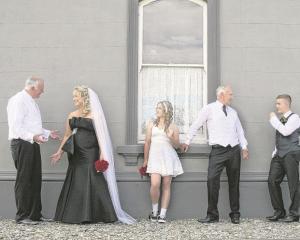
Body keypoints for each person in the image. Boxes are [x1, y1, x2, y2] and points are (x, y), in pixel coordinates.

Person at [51, 85, 135, 224]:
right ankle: (75, 214)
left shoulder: (95, 114)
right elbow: (67, 135)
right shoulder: (71, 115)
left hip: (90, 151)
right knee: (76, 178)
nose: (74, 99)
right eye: (73, 97)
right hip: (75, 154)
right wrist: (59, 152)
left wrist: (102, 153)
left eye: (76, 96)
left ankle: (103, 214)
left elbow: (101, 136)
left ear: (84, 98)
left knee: (93, 177)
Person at [182, 86, 249, 224]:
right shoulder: (209, 108)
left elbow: (240, 131)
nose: (232, 97)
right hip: (218, 151)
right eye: (230, 94)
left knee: (234, 183)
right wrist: (187, 140)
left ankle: (235, 214)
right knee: (212, 180)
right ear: (221, 95)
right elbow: (196, 124)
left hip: (234, 150)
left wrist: (244, 146)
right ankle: (212, 215)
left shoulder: (233, 112)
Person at [7, 76, 60, 225]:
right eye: (40, 90)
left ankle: (35, 214)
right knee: (24, 180)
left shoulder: (31, 102)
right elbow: (16, 128)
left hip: (31, 143)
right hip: (22, 144)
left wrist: (48, 133)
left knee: (35, 178)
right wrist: (33, 136)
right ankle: (22, 216)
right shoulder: (18, 101)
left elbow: (30, 126)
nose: (41, 93)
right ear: (32, 88)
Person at [142, 100, 183, 223]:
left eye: (159, 108)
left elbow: (177, 146)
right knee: (155, 184)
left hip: (168, 157)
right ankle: (154, 212)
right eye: (157, 107)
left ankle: (163, 214)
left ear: (166, 110)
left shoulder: (173, 127)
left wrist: (171, 137)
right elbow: (147, 142)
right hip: (154, 157)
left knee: (166, 185)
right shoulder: (151, 124)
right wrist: (145, 159)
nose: (157, 110)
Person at [267, 94, 300, 222]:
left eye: (278, 104)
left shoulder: (295, 118)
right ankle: (279, 211)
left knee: (293, 184)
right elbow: (280, 136)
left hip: (291, 154)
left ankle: (294, 213)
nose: (276, 106)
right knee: (272, 181)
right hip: (279, 155)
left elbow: (286, 131)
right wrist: (275, 151)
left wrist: (273, 119)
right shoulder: (282, 119)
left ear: (286, 104)